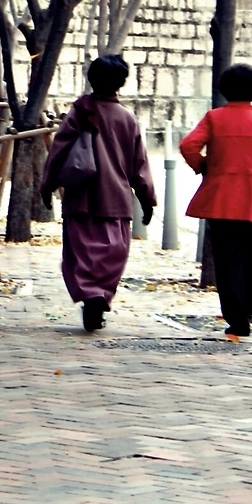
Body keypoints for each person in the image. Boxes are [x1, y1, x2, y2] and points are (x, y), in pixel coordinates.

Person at [41, 54, 156, 333]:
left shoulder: (78, 113)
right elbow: (139, 163)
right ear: (122, 82)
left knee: (80, 251)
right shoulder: (127, 119)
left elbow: (58, 152)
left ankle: (90, 294)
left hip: (80, 197)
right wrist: (146, 198)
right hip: (116, 199)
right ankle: (99, 294)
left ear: (91, 78)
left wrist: (48, 185)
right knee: (113, 252)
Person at [179, 64, 252, 341]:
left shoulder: (215, 118)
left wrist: (204, 165)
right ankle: (247, 311)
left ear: (225, 89)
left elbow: (188, 145)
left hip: (221, 201)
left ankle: (236, 318)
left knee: (226, 260)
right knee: (250, 257)